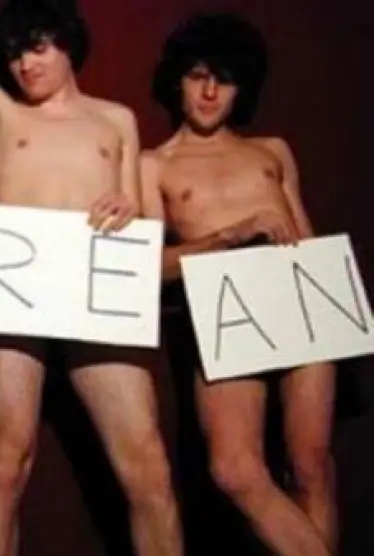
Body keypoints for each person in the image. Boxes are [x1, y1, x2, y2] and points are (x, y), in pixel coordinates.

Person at [0, 1, 183, 555]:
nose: (24, 64)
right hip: (17, 288)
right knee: (3, 464)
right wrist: (10, 26)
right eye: (14, 53)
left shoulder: (116, 119)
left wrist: (128, 206)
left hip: (98, 287)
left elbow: (140, 215)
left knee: (148, 467)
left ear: (68, 45)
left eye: (37, 48)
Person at [142, 12, 336, 556]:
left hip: (298, 295)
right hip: (223, 305)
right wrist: (232, 234)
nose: (209, 93)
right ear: (178, 80)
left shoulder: (271, 150)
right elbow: (150, 268)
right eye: (198, 76)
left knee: (310, 466)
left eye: (223, 80)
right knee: (234, 469)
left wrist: (338, 301)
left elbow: (305, 237)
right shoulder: (154, 164)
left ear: (241, 87)